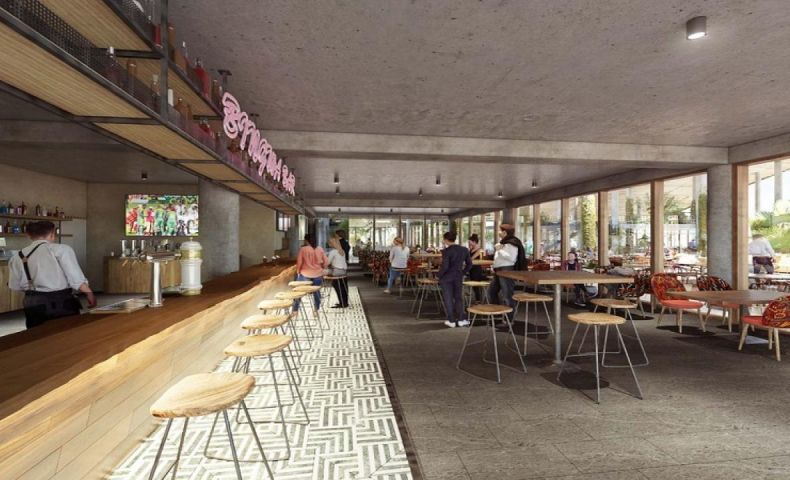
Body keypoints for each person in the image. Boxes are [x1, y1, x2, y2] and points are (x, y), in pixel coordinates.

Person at [8, 221, 96, 329]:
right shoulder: (61, 249)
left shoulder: (17, 256)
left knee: (37, 334)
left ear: (29, 235)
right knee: (67, 333)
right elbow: (76, 279)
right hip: (61, 301)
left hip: (32, 302)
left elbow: (15, 286)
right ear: (52, 234)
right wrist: (89, 294)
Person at [488, 223, 527, 321]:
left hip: (506, 269)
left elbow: (511, 258)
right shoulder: (504, 242)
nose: (498, 232)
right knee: (492, 291)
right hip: (500, 269)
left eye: (500, 230)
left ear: (504, 232)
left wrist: (499, 249)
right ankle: (497, 313)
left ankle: (509, 318)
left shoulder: (511, 243)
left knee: (507, 294)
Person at [437, 231, 473, 328]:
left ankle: (451, 320)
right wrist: (463, 272)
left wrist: (438, 275)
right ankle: (461, 319)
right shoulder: (464, 250)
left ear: (445, 240)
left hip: (446, 278)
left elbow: (445, 267)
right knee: (458, 298)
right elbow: (470, 264)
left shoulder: (446, 251)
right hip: (458, 276)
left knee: (448, 298)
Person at [295, 233, 329, 314]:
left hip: (305, 274)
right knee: (316, 291)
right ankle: (316, 310)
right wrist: (322, 268)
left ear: (306, 240)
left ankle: (295, 310)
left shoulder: (303, 249)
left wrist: (298, 272)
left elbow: (299, 262)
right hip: (318, 274)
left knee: (298, 291)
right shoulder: (320, 249)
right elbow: (326, 262)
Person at [327, 236, 349, 308]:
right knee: (343, 286)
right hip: (344, 272)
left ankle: (342, 303)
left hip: (337, 272)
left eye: (329, 242)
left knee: (322, 272)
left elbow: (327, 263)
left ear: (332, 243)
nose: (328, 244)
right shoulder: (342, 251)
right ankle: (344, 302)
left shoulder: (333, 252)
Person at [467, 234, 487, 303]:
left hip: (477, 269)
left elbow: (471, 258)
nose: (469, 243)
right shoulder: (471, 249)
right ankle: (477, 299)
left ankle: (478, 300)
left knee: (476, 285)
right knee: (474, 285)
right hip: (472, 269)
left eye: (470, 242)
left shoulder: (479, 250)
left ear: (474, 242)